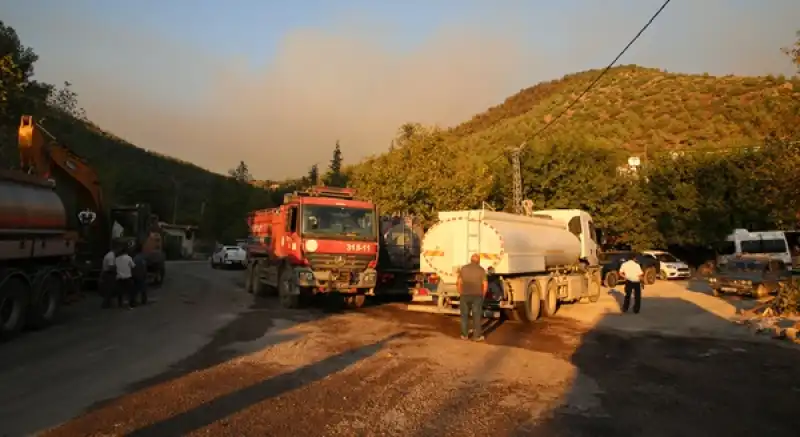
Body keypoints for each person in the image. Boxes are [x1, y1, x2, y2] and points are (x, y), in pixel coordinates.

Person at [457, 254, 488, 341]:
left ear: (470, 260)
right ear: (478, 261)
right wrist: (483, 295)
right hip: (477, 296)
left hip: (464, 295)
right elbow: (485, 284)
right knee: (476, 316)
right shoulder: (481, 270)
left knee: (464, 316)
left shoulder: (463, 269)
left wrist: (460, 292)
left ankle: (464, 335)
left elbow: (459, 282)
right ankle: (477, 336)